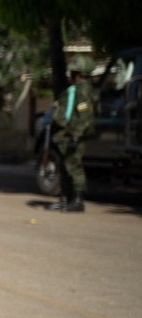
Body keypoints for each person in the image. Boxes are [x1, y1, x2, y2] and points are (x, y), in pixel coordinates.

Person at [48, 62, 98, 213]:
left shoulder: (83, 91)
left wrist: (76, 136)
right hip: (66, 133)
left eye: (73, 73)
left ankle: (78, 201)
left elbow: (85, 117)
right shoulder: (75, 90)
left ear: (77, 74)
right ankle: (65, 199)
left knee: (74, 166)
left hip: (74, 134)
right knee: (64, 166)